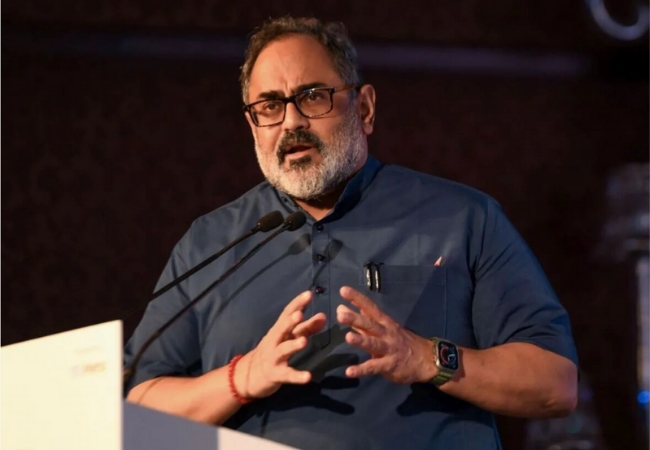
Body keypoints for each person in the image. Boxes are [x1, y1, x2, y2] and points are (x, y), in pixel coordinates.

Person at [124, 16, 579, 450]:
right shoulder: (210, 242)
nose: (292, 122)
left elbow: (555, 383)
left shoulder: (463, 218)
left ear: (364, 108)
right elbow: (134, 407)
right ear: (252, 125)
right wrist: (241, 377)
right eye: (270, 106)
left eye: (313, 96)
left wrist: (426, 358)